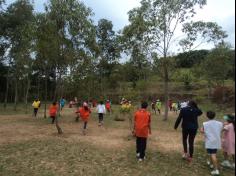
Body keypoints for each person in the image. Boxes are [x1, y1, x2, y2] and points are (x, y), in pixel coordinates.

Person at [201, 111, 223, 176]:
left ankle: (216, 170)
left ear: (207, 116)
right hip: (216, 140)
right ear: (214, 115)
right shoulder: (220, 123)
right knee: (212, 153)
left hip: (210, 141)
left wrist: (202, 130)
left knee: (213, 154)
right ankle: (211, 164)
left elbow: (202, 131)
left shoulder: (205, 123)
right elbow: (220, 130)